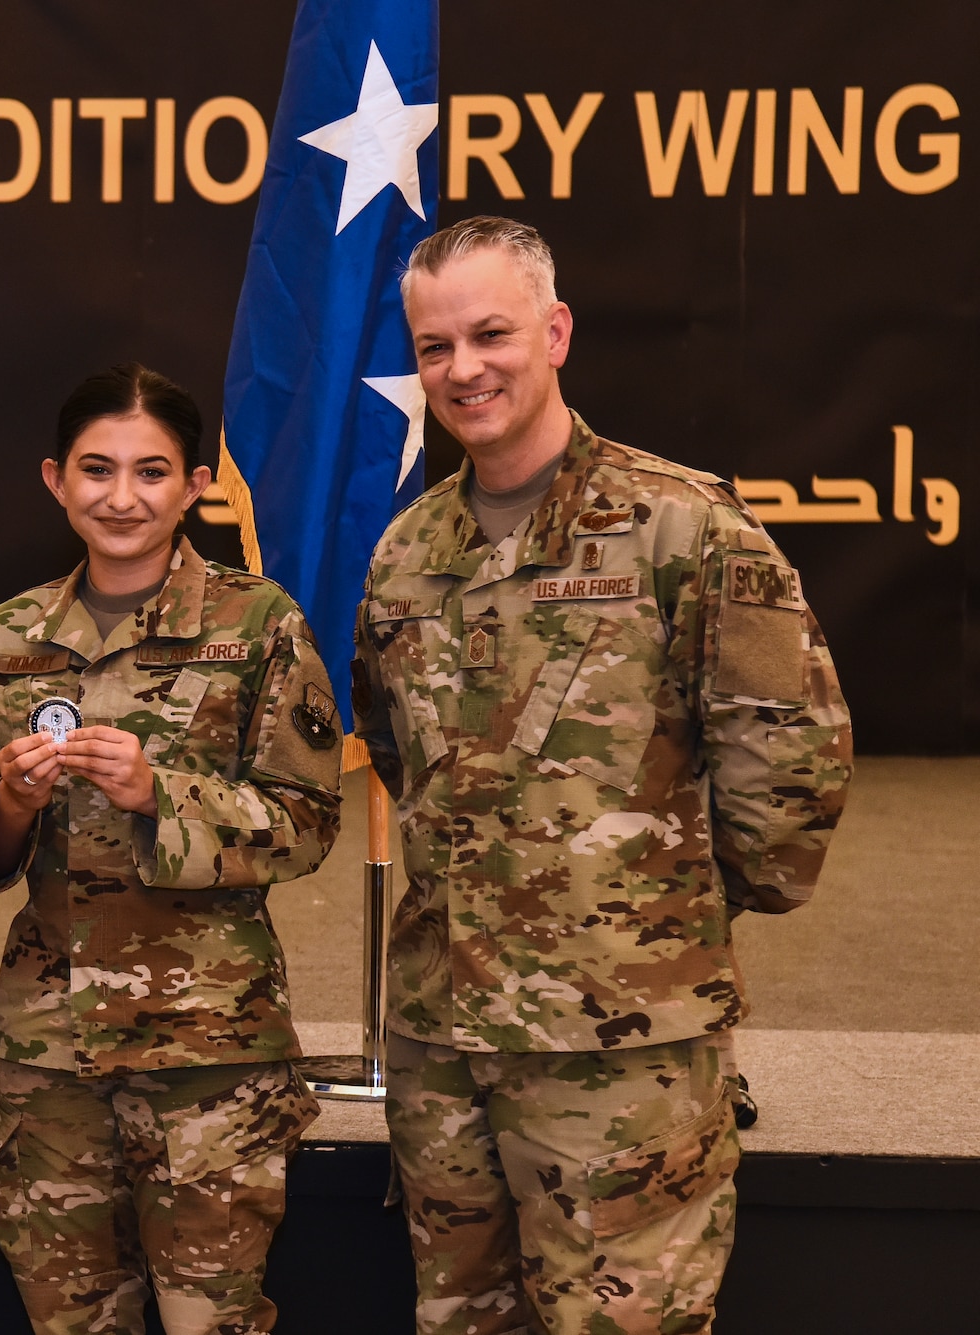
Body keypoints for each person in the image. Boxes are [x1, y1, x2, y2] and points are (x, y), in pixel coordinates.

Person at [353, 215, 853, 1334]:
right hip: (442, 1041)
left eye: (490, 335)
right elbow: (396, 752)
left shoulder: (685, 528)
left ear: (555, 331)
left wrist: (651, 917)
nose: (463, 369)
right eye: (434, 347)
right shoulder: (406, 553)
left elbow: (789, 755)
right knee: (457, 1318)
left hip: (621, 1050)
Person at [0, 364, 343, 1335]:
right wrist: (7, 800)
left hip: (206, 1056)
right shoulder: (9, 636)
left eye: (151, 472)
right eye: (95, 470)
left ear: (195, 485)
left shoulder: (257, 623)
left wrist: (155, 793)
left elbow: (303, 820)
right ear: (53, 479)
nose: (121, 498)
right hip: (49, 1057)